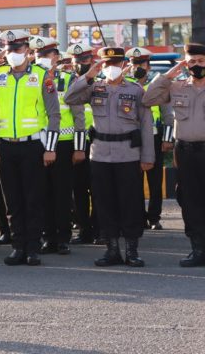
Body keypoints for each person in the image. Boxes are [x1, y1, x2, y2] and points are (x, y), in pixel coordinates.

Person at [0, 30, 60, 266]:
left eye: (16, 49)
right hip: (6, 146)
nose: (12, 54)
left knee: (33, 199)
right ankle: (18, 247)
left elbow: (54, 114)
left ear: (27, 49)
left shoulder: (41, 75)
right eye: (8, 50)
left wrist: (50, 148)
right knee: (13, 201)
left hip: (33, 145)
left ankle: (33, 249)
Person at [64, 47, 154, 267]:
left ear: (124, 65)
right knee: (105, 203)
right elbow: (69, 98)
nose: (111, 68)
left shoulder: (135, 90)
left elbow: (145, 124)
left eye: (116, 64)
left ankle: (132, 250)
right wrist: (88, 76)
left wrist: (148, 156)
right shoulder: (94, 87)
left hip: (128, 155)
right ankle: (112, 250)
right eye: (107, 64)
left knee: (131, 203)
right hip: (101, 155)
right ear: (101, 66)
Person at [142, 43, 205, 267]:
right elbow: (148, 99)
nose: (197, 66)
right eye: (192, 62)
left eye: (201, 61)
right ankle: (198, 249)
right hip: (185, 151)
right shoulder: (177, 87)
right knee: (189, 200)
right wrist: (167, 76)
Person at [28, 37, 86, 256]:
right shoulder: (30, 78)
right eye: (38, 54)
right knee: (40, 193)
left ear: (57, 57)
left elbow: (79, 115)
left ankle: (62, 238)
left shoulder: (69, 79)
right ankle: (47, 237)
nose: (43, 59)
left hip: (63, 144)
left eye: (47, 54)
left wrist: (79, 148)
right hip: (37, 143)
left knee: (61, 194)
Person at [126, 47, 174, 230]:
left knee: (154, 182)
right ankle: (138, 216)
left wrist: (167, 139)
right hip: (132, 139)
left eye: (140, 63)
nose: (136, 67)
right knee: (134, 181)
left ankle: (154, 217)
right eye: (133, 63)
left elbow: (168, 115)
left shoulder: (157, 84)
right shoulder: (125, 84)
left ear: (147, 65)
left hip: (154, 139)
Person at [66, 43, 99, 245]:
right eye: (76, 61)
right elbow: (76, 114)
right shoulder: (71, 83)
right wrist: (78, 148)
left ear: (92, 61)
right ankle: (85, 230)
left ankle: (100, 228)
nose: (80, 65)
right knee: (79, 189)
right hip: (81, 144)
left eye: (84, 61)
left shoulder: (102, 82)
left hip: (99, 143)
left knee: (98, 190)